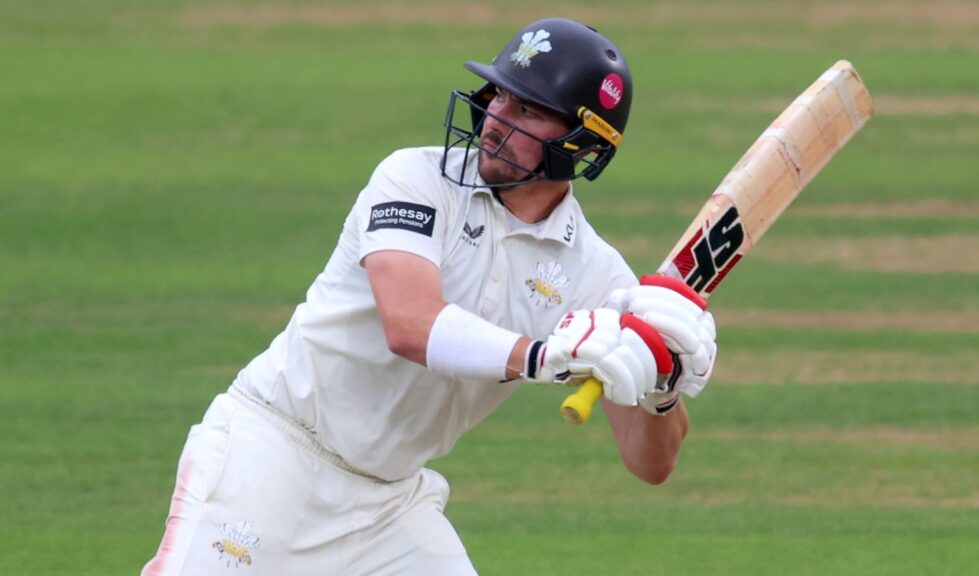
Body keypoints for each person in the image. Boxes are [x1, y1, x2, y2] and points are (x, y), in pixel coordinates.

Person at [142, 17, 717, 576]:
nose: (496, 120)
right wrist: (544, 357)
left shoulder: (597, 276)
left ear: (583, 143)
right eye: (500, 96)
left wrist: (659, 384)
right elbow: (410, 324)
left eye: (527, 110)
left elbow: (651, 464)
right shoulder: (414, 179)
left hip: (387, 507)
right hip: (271, 455)